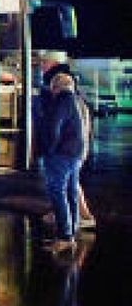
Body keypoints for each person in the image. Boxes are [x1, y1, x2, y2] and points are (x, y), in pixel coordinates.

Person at [35, 51, 97, 230]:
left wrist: (50, 148)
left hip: (67, 143)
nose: (42, 66)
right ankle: (70, 219)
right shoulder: (66, 79)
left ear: (53, 63)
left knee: (67, 184)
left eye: (44, 62)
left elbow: (57, 118)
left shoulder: (58, 80)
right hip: (75, 140)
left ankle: (81, 218)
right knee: (69, 183)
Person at [38, 72, 89, 254]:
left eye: (52, 87)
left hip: (62, 154)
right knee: (71, 192)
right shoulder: (77, 101)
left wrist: (49, 150)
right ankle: (71, 233)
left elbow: (54, 128)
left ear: (56, 87)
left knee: (57, 193)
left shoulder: (62, 101)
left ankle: (65, 237)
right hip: (76, 154)